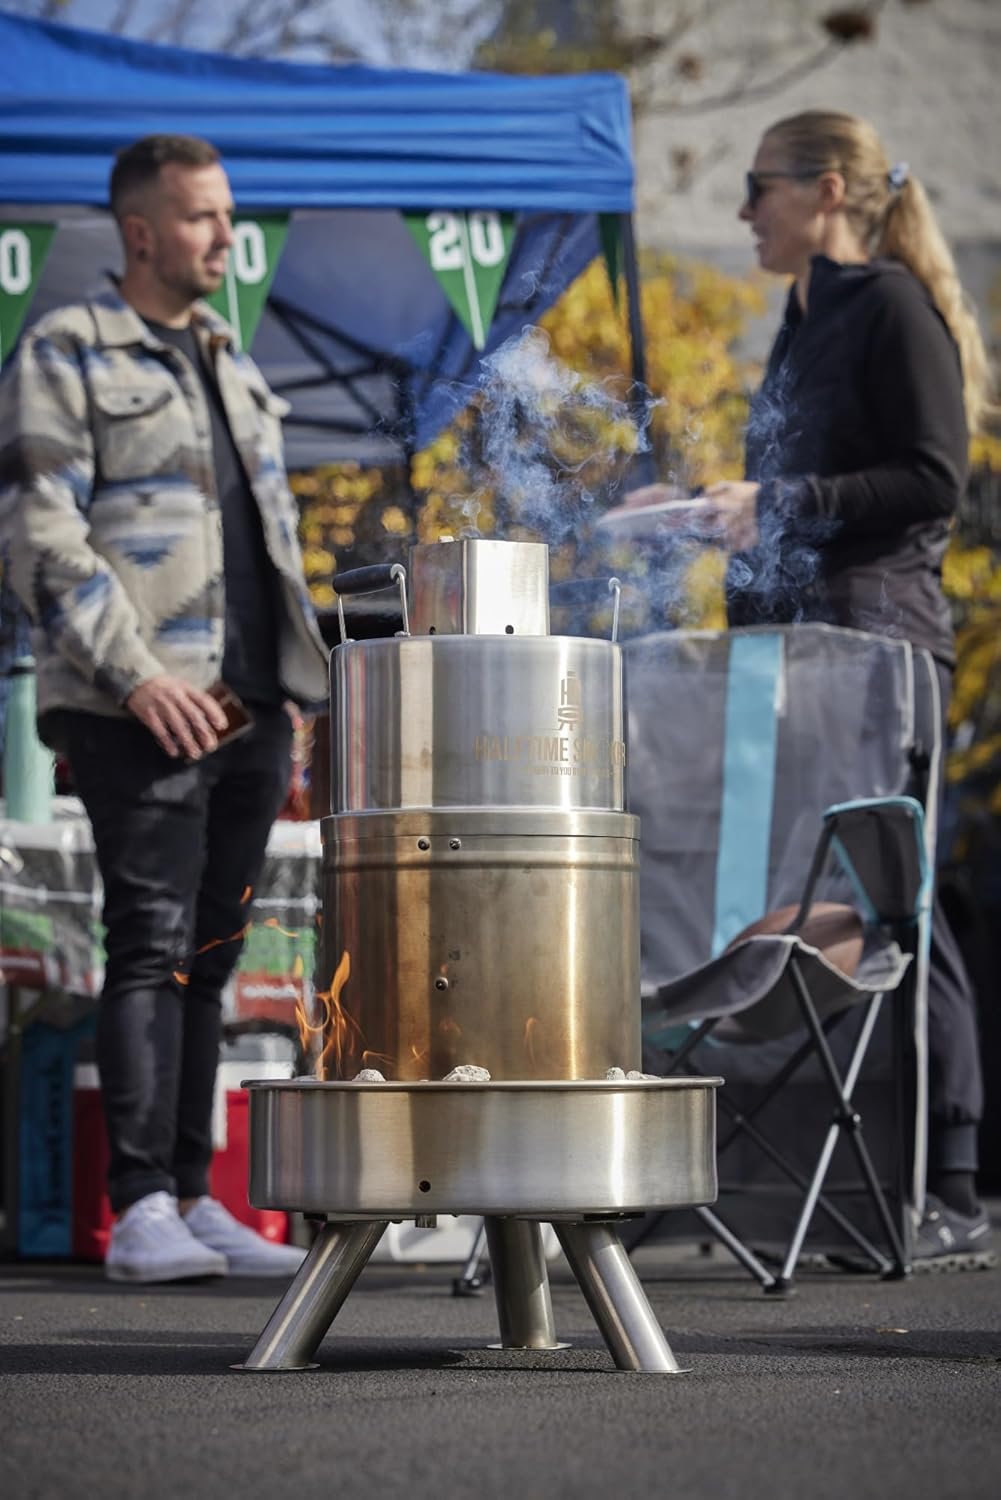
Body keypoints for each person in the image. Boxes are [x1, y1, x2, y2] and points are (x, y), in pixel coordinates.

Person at [623, 110, 995, 1267]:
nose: (742, 213)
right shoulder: (797, 325)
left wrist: (770, 506)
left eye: (756, 188)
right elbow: (793, 501)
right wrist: (700, 513)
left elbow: (929, 479)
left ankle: (951, 1184)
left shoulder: (886, 305)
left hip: (880, 653)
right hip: (800, 658)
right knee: (832, 902)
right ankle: (894, 1179)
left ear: (824, 189)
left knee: (894, 907)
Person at [0, 134, 329, 1282]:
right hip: (134, 698)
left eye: (227, 215)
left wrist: (303, 692)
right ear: (140, 232)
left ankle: (194, 1195)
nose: (225, 237)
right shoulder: (66, 348)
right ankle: (136, 1203)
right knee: (146, 944)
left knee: (214, 955)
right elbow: (35, 532)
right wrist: (139, 676)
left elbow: (272, 552)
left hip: (252, 705)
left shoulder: (238, 367)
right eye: (200, 218)